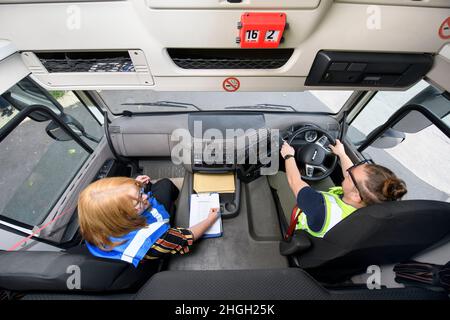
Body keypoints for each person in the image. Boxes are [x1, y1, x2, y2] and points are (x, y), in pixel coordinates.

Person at [78, 175, 219, 267]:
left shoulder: (96, 221)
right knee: (165, 184)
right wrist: (210, 219)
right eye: (137, 201)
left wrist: (134, 186)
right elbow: (187, 236)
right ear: (122, 217)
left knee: (163, 184)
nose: (145, 197)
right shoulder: (152, 239)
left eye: (140, 192)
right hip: (154, 244)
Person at [280, 139, 407, 238]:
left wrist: (288, 156)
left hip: (301, 224)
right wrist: (341, 153)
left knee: (278, 177)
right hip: (326, 219)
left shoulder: (320, 208)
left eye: (350, 176)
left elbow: (294, 181)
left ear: (356, 195)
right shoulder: (370, 208)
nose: (348, 171)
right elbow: (350, 172)